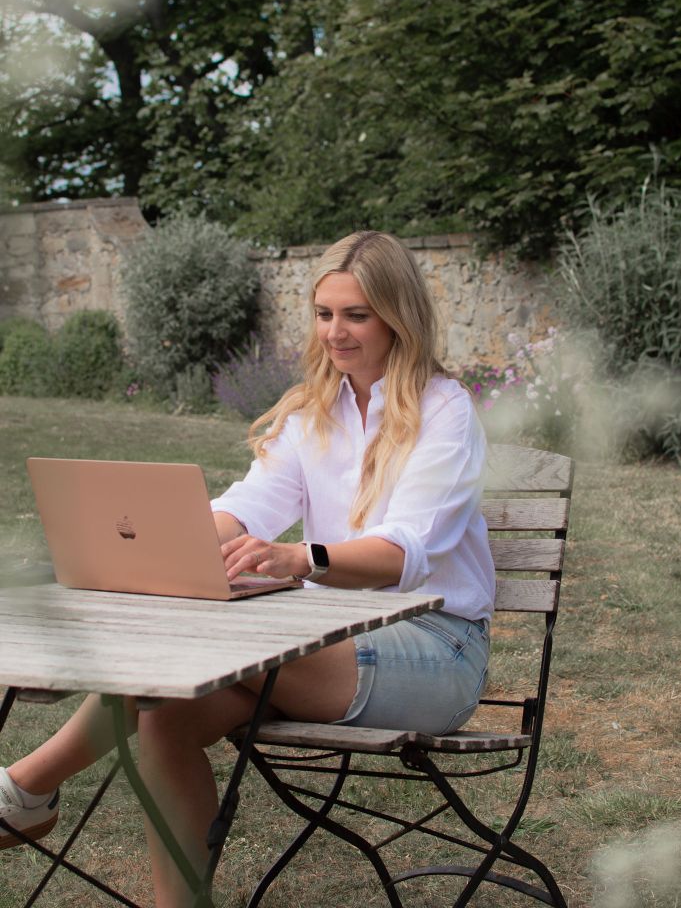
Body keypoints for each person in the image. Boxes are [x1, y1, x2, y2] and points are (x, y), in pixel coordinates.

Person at [0, 231, 495, 907]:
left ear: (397, 316)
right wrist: (159, 538)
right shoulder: (313, 412)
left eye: (356, 315)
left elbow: (402, 554)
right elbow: (247, 506)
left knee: (184, 649)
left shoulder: (443, 411)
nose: (336, 333)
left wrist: (301, 558)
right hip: (333, 642)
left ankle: (24, 789)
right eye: (324, 314)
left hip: (437, 649)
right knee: (165, 720)